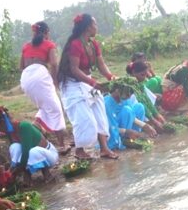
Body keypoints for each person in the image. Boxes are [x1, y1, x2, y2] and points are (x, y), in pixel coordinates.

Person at [58, 14, 119, 160]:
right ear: (87, 27)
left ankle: (104, 149)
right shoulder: (75, 44)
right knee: (84, 119)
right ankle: (79, 151)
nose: (96, 27)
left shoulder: (93, 44)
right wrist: (93, 83)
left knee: (99, 113)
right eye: (95, 24)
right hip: (72, 84)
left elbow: (101, 64)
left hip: (87, 81)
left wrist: (111, 77)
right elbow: (74, 69)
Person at [20, 21, 70, 155]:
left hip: (25, 79)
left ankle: (35, 128)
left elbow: (22, 66)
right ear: (46, 32)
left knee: (44, 107)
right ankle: (62, 145)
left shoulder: (25, 46)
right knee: (55, 109)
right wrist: (55, 80)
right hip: (39, 76)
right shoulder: (49, 44)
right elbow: (54, 64)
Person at [0, 108, 58, 186]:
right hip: (33, 155)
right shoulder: (9, 131)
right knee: (14, 147)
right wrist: (11, 170)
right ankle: (27, 176)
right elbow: (18, 153)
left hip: (49, 155)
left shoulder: (24, 126)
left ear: (3, 122)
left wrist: (16, 170)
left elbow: (26, 152)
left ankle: (46, 174)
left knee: (32, 151)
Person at [104, 84, 157, 150]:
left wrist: (145, 126)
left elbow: (132, 116)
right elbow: (110, 127)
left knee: (139, 107)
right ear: (117, 91)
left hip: (123, 123)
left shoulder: (124, 98)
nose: (129, 97)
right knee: (127, 110)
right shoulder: (107, 104)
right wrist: (126, 131)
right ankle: (124, 139)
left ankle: (134, 136)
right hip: (111, 130)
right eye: (127, 95)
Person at [126, 61, 167, 133]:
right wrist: (154, 121)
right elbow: (142, 102)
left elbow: (147, 100)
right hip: (129, 115)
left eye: (145, 75)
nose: (145, 78)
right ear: (133, 73)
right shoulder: (129, 86)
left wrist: (157, 115)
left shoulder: (139, 84)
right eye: (142, 75)